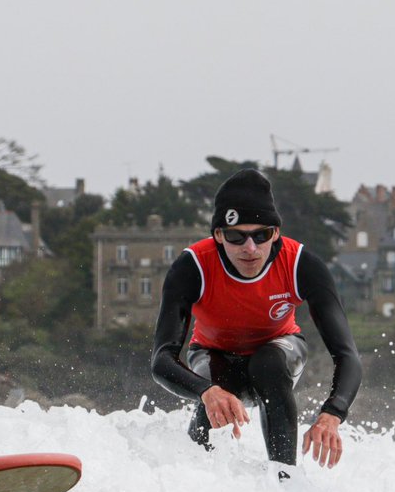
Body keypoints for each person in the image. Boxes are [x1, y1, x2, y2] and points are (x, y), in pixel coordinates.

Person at [151, 168, 361, 469]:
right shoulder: (192, 267)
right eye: (237, 237)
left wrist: (333, 413)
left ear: (275, 232)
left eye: (261, 235)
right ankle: (193, 486)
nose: (250, 249)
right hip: (213, 356)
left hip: (280, 351)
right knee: (217, 382)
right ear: (219, 235)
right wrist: (205, 392)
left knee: (268, 363)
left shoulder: (302, 264)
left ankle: (286, 484)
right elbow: (161, 360)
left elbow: (346, 354)